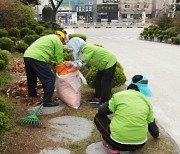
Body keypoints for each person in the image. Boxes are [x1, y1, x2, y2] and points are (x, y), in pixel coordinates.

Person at [94, 74, 160, 153]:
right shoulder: (147, 103)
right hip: (139, 144)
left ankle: (111, 146)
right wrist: (156, 135)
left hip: (117, 143)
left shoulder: (119, 96)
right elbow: (151, 124)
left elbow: (102, 111)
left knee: (98, 117)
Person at [67, 37, 117, 107]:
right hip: (103, 64)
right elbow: (79, 61)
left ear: (76, 45)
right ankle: (97, 97)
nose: (72, 51)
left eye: (72, 48)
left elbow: (82, 62)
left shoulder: (87, 48)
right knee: (98, 80)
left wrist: (71, 64)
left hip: (109, 62)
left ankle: (104, 102)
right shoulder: (82, 49)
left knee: (105, 83)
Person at [24, 30, 67, 107]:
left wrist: (52, 62)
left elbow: (45, 50)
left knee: (31, 77)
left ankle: (32, 94)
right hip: (38, 57)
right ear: (62, 38)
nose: (62, 44)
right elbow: (59, 58)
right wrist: (61, 69)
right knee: (49, 79)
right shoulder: (58, 42)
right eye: (63, 42)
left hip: (27, 55)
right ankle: (47, 101)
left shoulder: (48, 37)